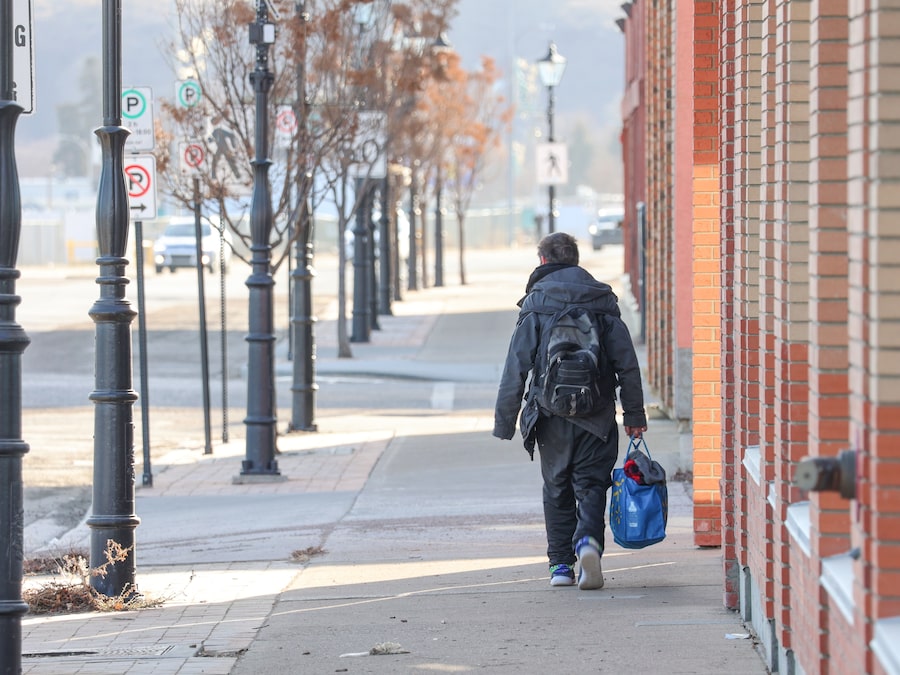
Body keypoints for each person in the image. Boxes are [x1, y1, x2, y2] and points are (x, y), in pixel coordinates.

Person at [493, 232, 647, 589]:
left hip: (550, 414)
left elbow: (516, 365)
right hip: (597, 413)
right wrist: (635, 416)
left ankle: (560, 565)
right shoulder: (602, 299)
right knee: (592, 484)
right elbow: (627, 364)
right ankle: (588, 543)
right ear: (576, 260)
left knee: (557, 487)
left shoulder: (537, 301)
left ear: (543, 260)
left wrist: (505, 420)